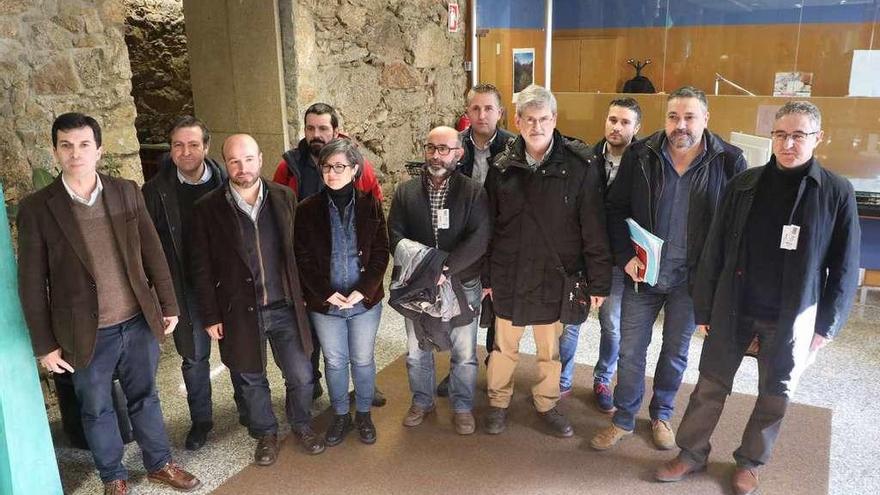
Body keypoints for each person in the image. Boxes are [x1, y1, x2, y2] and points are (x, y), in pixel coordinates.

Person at [655, 101, 860, 495]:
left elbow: (845, 268)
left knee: (775, 394)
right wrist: (704, 306)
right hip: (735, 306)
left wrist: (826, 327)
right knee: (710, 385)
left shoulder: (835, 192)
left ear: (818, 138)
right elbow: (714, 247)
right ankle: (691, 453)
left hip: (793, 315)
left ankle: (750, 462)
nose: (788, 143)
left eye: (799, 135)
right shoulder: (744, 185)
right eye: (781, 134)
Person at [17, 112, 200, 494]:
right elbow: (32, 281)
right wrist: (45, 345)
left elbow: (153, 251)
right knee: (96, 409)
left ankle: (159, 463)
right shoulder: (38, 208)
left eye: (84, 145)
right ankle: (113, 476)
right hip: (84, 332)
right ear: (55, 151)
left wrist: (169, 303)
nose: (75, 153)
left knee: (145, 397)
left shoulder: (126, 191)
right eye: (66, 145)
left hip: (136, 321)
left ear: (98, 150)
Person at [591, 86, 747, 452]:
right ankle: (624, 418)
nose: (681, 125)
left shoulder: (729, 161)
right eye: (674, 117)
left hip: (691, 282)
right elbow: (615, 210)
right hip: (642, 275)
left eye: (690, 117)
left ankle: (661, 414)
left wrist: (722, 283)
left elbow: (735, 227)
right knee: (630, 350)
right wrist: (623, 256)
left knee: (675, 352)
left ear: (706, 119)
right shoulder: (641, 153)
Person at [482, 85, 612, 438]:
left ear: (554, 119)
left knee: (549, 351)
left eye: (543, 119)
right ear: (519, 121)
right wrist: (486, 276)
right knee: (502, 347)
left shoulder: (581, 164)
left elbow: (594, 226)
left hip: (558, 273)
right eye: (529, 119)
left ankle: (546, 402)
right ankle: (497, 401)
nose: (536, 126)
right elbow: (489, 225)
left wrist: (599, 281)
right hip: (510, 270)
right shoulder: (502, 166)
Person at [191, 134, 325, 467]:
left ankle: (301, 424)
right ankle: (265, 434)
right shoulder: (207, 209)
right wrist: (210, 316)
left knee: (301, 373)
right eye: (234, 161)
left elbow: (302, 251)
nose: (242, 167)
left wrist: (308, 296)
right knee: (250, 378)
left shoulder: (284, 197)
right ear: (225, 164)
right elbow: (200, 267)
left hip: (285, 306)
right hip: (238, 310)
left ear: (260, 159)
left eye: (248, 159)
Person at [142, 115, 248, 450]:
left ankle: (247, 407)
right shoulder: (155, 191)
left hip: (226, 283)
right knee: (194, 358)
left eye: (193, 144)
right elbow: (149, 247)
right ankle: (201, 420)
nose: (185, 152)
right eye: (178, 145)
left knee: (237, 348)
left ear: (205, 146)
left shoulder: (226, 182)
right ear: (170, 148)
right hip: (183, 286)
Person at [273, 102, 385, 405]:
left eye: (323, 128)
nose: (316, 134)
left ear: (335, 130)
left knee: (361, 357)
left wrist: (365, 288)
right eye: (310, 128)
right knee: (316, 345)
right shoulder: (289, 166)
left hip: (358, 286)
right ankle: (315, 390)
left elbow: (377, 237)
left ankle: (363, 395)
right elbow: (278, 208)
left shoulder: (358, 172)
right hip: (312, 276)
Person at [387, 126, 490, 435]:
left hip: (461, 283)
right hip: (418, 286)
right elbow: (395, 234)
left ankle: (461, 407)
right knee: (418, 350)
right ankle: (422, 401)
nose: (436, 154)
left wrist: (445, 268)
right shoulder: (405, 192)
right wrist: (425, 269)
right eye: (431, 148)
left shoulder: (474, 191)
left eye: (444, 149)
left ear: (458, 153)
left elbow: (480, 237)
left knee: (464, 353)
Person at [294, 139, 389, 446]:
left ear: (354, 169)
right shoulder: (307, 209)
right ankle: (339, 414)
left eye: (339, 167)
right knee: (335, 361)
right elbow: (302, 257)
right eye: (326, 167)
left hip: (365, 300)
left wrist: (364, 290)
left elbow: (381, 252)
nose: (332, 173)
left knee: (362, 359)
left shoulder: (370, 203)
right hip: (327, 302)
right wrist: (324, 292)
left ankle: (363, 413)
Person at [558, 97, 641, 413]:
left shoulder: (641, 164)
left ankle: (603, 379)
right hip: (582, 256)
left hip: (619, 260)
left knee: (612, 325)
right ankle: (563, 378)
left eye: (624, 122)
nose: (616, 127)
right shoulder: (586, 159)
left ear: (636, 128)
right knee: (571, 322)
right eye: (612, 120)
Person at [437, 83, 514, 398]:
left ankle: (495, 375)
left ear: (500, 112)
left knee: (500, 317)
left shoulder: (514, 147)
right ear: (467, 112)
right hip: (463, 243)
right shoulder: (454, 147)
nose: (482, 115)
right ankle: (457, 370)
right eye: (475, 109)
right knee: (459, 314)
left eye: (488, 108)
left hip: (502, 244)